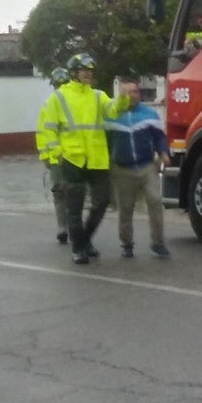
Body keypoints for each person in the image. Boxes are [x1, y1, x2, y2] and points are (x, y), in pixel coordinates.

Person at [36, 53, 130, 264]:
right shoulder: (58, 98)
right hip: (72, 159)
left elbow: (114, 112)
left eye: (90, 71)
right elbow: (48, 130)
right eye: (84, 71)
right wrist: (57, 154)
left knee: (103, 200)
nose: (89, 74)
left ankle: (84, 239)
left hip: (97, 158)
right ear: (73, 73)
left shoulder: (98, 95)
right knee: (74, 206)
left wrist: (123, 98)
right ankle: (78, 248)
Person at [105, 76, 171, 259]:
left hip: (147, 166)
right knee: (125, 209)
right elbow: (105, 142)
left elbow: (159, 137)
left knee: (155, 201)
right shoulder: (111, 115)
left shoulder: (150, 114)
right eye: (128, 92)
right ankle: (127, 243)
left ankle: (158, 242)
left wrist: (164, 153)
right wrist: (106, 165)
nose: (133, 95)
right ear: (121, 95)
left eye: (135, 91)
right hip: (122, 169)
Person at [36, 67, 72, 244]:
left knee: (76, 191)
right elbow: (42, 132)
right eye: (58, 84)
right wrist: (44, 156)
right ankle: (62, 227)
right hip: (56, 159)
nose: (60, 87)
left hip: (75, 156)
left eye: (63, 83)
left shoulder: (75, 103)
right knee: (59, 192)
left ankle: (75, 226)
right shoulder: (49, 104)